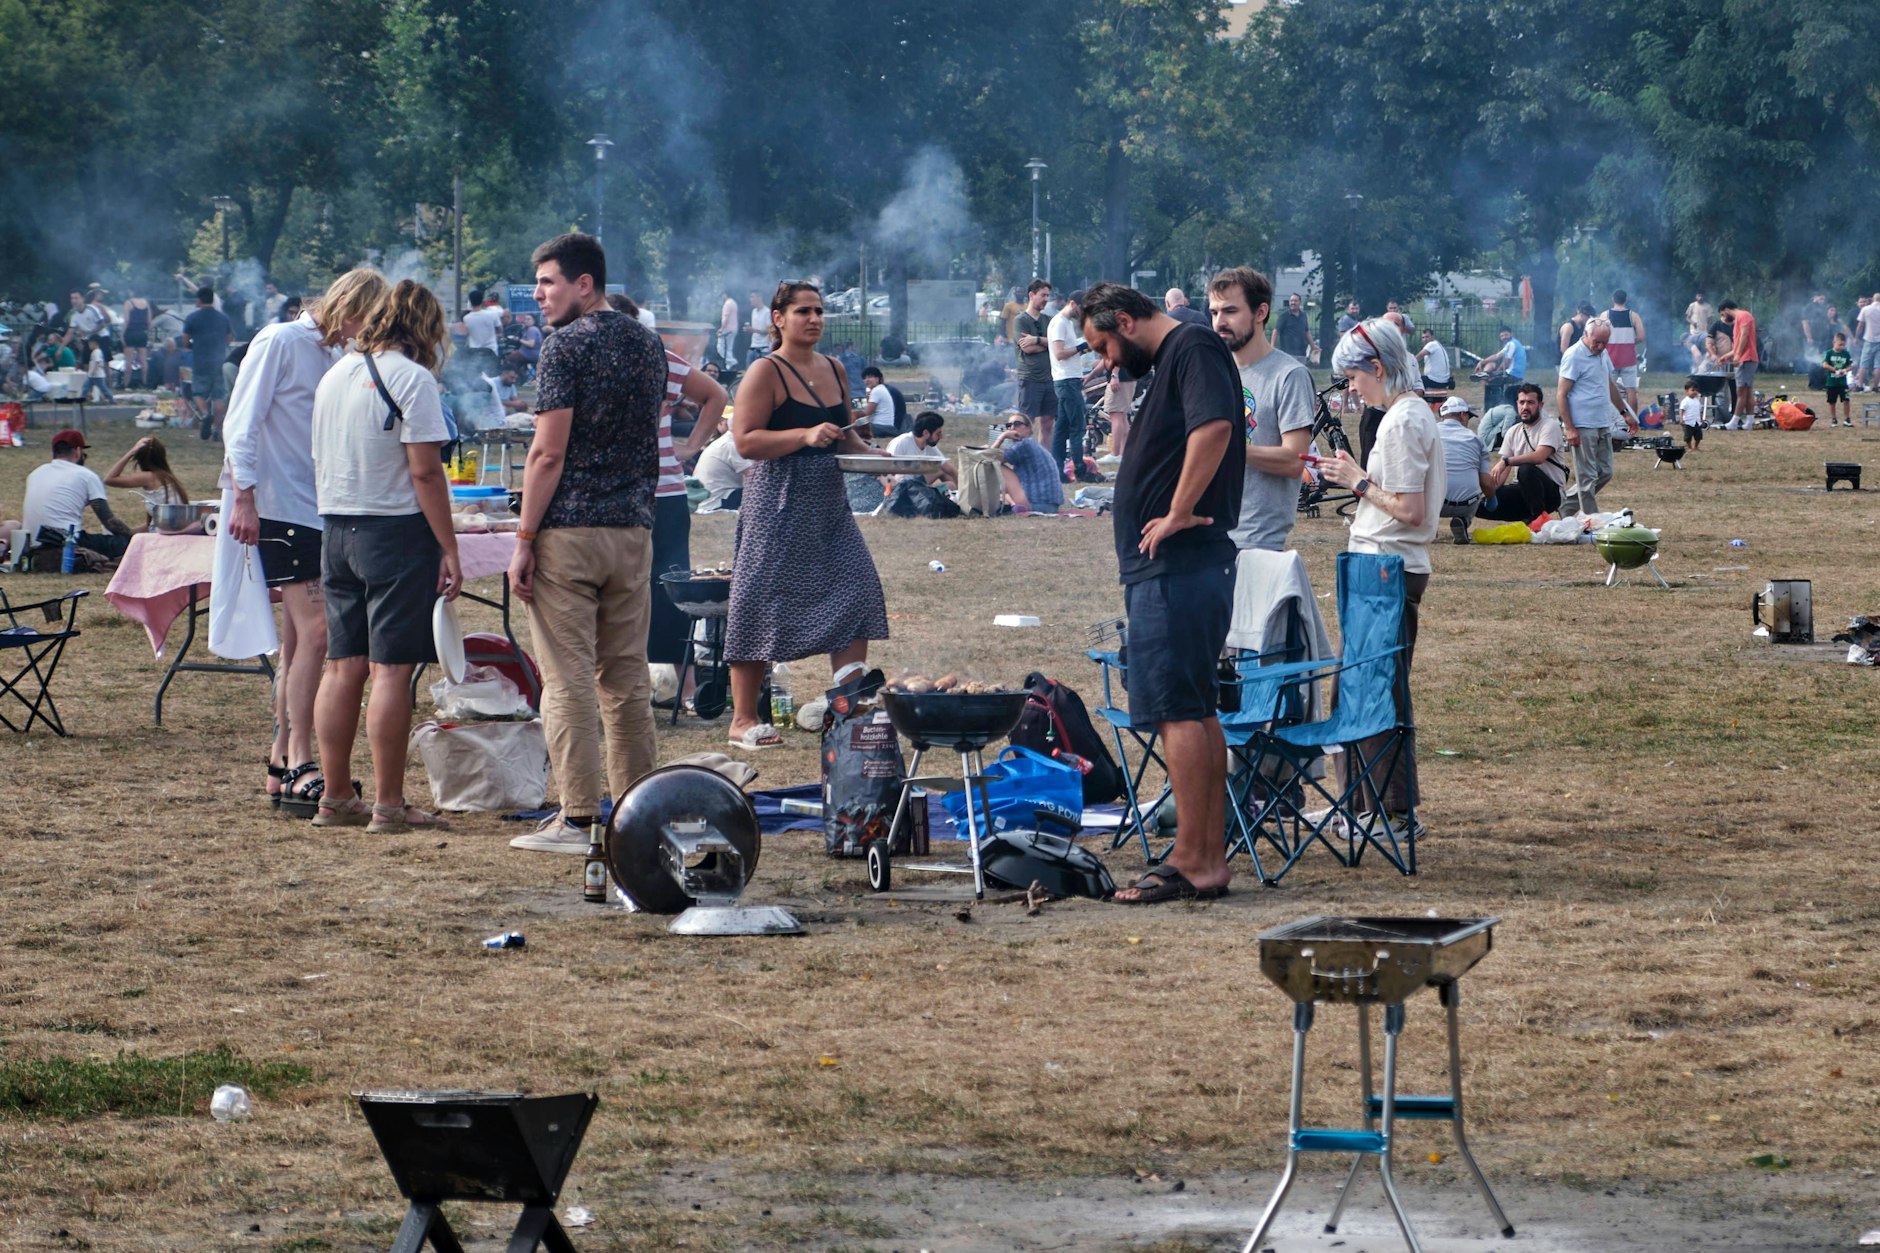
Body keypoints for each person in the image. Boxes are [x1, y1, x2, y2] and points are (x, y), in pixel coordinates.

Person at [1078, 282, 1243, 905]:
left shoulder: (1192, 346)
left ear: (1125, 320)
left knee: (1179, 709)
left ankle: (1195, 861)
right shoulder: (1174, 357)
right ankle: (1205, 856)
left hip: (1179, 566)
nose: (1106, 362)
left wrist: (1177, 510)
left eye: (1104, 346)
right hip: (1176, 570)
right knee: (1195, 709)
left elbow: (1215, 428)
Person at [505, 234, 668, 849]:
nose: (538, 295)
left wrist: (524, 538)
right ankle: (638, 815)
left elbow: (547, 453)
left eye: (548, 282)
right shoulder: (647, 343)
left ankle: (577, 818)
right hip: (633, 531)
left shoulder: (565, 346)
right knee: (626, 680)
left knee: (567, 678)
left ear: (584, 283)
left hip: (569, 533)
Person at [221, 266, 388, 815]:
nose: (367, 332)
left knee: (300, 641)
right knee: (320, 633)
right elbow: (240, 423)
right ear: (348, 306)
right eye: (367, 319)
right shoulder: (280, 340)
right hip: (280, 506)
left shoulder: (337, 355)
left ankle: (280, 763)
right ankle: (300, 760)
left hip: (318, 505)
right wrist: (244, 497)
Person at [304, 280, 459, 834]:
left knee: (342, 665)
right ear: (426, 328)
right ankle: (389, 805)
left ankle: (335, 797)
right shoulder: (413, 379)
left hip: (336, 529)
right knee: (391, 670)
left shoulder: (335, 374)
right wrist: (449, 546)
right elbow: (426, 472)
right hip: (394, 532)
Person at [723, 280, 889, 750]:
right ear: (778, 319)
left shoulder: (834, 368)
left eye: (818, 311)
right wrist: (803, 435)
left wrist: (888, 460)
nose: (814, 319)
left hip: (829, 503)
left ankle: (849, 704)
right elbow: (745, 440)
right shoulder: (765, 371)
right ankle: (743, 720)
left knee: (857, 588)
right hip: (777, 501)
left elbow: (847, 436)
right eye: (803, 311)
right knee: (759, 600)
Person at [1314, 318, 1440, 827]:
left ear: (1378, 367)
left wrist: (1358, 481)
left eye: (1353, 378)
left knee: (1377, 693)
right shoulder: (1402, 416)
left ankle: (1390, 812)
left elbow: (1409, 509)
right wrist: (1356, 475)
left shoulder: (1404, 420)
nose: (1351, 389)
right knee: (1356, 690)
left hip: (1389, 568)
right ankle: (1360, 806)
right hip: (1378, 567)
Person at [608, 291, 728, 715]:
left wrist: (691, 446)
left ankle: (688, 687)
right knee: (618, 589)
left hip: (662, 493)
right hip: (611, 497)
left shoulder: (661, 359)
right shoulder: (586, 361)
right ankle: (625, 685)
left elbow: (715, 395)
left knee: (669, 588)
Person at [1207, 266, 1313, 553]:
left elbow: (1294, 461)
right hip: (1203, 535)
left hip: (1254, 541)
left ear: (1260, 312)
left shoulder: (1289, 375)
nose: (1219, 322)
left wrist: (1225, 447)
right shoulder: (1210, 372)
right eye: (1214, 312)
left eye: (1230, 311)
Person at [1556, 318, 1638, 515]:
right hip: (1582, 424)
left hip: (1602, 421)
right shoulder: (1573, 356)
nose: (1600, 346)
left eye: (1604, 342)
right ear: (1586, 334)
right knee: (1587, 478)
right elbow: (1561, 394)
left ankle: (1565, 506)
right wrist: (1570, 428)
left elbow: (1609, 384)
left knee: (1605, 472)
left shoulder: (1603, 354)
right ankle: (1591, 521)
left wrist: (1624, 413)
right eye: (1597, 342)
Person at [20, 429, 133, 564]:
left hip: (33, 543)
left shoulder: (35, 473)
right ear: (78, 451)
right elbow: (109, 521)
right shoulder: (86, 475)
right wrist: (132, 537)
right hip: (67, 542)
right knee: (122, 542)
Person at [1478, 384, 1566, 524]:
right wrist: (1487, 493)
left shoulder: (1550, 426)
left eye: (1530, 402)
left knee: (1526, 469)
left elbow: (1539, 457)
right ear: (1517, 404)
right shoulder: (1513, 431)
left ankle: (1539, 520)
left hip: (1550, 493)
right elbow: (1502, 474)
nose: (1525, 407)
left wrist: (1506, 461)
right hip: (1523, 491)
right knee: (1479, 505)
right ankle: (1463, 517)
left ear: (1540, 405)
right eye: (1522, 402)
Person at [1048, 289, 1093, 480]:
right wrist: (1081, 346)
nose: (1083, 314)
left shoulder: (1066, 323)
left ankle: (1057, 471)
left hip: (1067, 379)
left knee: (1061, 429)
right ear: (1073, 304)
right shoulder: (1059, 323)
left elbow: (1067, 352)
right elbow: (1059, 353)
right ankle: (1080, 470)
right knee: (1078, 427)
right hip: (1066, 381)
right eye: (1082, 309)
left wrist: (1081, 350)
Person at [1435, 397, 1493, 543]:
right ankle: (1463, 521)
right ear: (1462, 415)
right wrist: (1492, 499)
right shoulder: (1476, 439)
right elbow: (1485, 482)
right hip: (1466, 503)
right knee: (1473, 495)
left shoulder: (1430, 433)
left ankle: (1430, 525)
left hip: (1435, 502)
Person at [102, 435, 189, 529]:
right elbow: (149, 526)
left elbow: (109, 479)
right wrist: (128, 533)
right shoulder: (168, 477)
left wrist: (131, 452)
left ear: (140, 459)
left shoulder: (149, 477)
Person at [182, 285, 233, 440]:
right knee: (219, 396)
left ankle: (205, 415)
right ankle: (217, 429)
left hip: (200, 361)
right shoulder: (223, 317)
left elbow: (185, 340)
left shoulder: (192, 317)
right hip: (219, 361)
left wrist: (192, 345)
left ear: (199, 300)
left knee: (197, 393)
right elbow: (229, 338)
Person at [1012, 279, 1056, 452]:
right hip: (1030, 378)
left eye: (1048, 296)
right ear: (1031, 295)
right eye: (1043, 295)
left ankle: (1044, 457)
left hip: (1050, 378)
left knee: (1048, 422)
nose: (1046, 299)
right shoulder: (1020, 320)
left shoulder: (1049, 321)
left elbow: (1058, 344)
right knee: (1026, 422)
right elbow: (1027, 348)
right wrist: (1047, 344)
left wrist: (1037, 340)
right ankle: (1023, 455)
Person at [990, 412, 1061, 514]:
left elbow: (988, 457)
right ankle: (1013, 503)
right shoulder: (1032, 445)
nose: (1012, 428)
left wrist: (1003, 436)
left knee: (998, 465)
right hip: (1051, 505)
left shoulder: (1024, 445)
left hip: (1037, 504)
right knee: (1001, 492)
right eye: (1009, 425)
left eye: (1017, 424)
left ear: (1028, 429)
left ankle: (1016, 504)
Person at [694, 421, 755, 511]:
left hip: (708, 498)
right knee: (763, 491)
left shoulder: (725, 441)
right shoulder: (730, 445)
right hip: (718, 501)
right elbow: (754, 476)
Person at [1603, 290, 1647, 415]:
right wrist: (1630, 342)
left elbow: (1599, 333)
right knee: (1631, 390)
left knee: (1609, 389)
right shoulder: (1634, 316)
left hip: (1610, 358)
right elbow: (1641, 336)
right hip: (1628, 358)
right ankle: (1633, 418)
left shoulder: (1605, 315)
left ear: (1613, 299)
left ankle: (1609, 417)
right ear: (1626, 299)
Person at [1717, 300, 1759, 427]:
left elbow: (1745, 336)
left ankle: (1734, 422)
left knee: (1740, 391)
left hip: (1746, 359)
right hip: (1746, 358)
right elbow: (1738, 344)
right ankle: (1750, 421)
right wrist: (1726, 356)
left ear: (1726, 310)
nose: (1724, 318)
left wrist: (1738, 355)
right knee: (1747, 391)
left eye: (1723, 315)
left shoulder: (1743, 315)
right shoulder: (1738, 321)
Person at [887, 410, 956, 487]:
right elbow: (888, 471)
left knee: (950, 484)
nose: (941, 436)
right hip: (903, 487)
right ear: (926, 433)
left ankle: (940, 492)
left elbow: (950, 470)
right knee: (940, 470)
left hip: (919, 486)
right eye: (938, 433)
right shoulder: (901, 442)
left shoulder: (928, 446)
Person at [858, 365, 907, 436]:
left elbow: (866, 414)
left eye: (870, 377)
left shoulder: (876, 390)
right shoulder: (881, 388)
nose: (867, 380)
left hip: (882, 427)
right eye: (865, 378)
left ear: (877, 379)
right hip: (888, 427)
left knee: (855, 428)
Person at [1273, 293, 1317, 362]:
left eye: (1295, 301)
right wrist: (1272, 347)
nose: (1293, 303)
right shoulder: (1284, 316)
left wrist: (1313, 347)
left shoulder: (1303, 316)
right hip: (1287, 354)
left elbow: (1307, 332)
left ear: (1299, 302)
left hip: (1302, 354)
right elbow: (1276, 331)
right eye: (1291, 301)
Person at [122, 287, 151, 387]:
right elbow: (149, 321)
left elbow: (126, 320)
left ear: (132, 292)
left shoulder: (128, 302)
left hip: (130, 332)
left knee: (128, 360)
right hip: (142, 333)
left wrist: (122, 334)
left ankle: (126, 384)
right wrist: (147, 332)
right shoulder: (146, 303)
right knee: (143, 360)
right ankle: (145, 383)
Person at [1823, 333, 1853, 427]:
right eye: (1840, 345)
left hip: (1843, 383)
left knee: (1846, 400)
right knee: (1832, 402)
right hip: (1831, 383)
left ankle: (1847, 419)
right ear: (1834, 343)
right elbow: (1825, 365)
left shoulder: (1846, 353)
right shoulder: (1829, 353)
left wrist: (1845, 370)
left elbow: (1850, 366)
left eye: (1843, 345)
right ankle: (1834, 419)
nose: (1841, 347)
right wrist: (1835, 370)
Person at [1853, 294, 1880, 392]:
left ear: (1873, 299)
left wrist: (1856, 337)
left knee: (1863, 364)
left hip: (1868, 339)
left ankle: (1860, 385)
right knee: (1878, 365)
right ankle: (1876, 387)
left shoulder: (1866, 309)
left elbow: (1860, 325)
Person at [1416, 326, 1453, 391]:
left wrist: (1406, 364)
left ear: (1432, 337)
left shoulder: (1432, 344)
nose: (1425, 339)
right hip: (1444, 380)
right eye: (1423, 337)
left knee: (1413, 380)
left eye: (1427, 337)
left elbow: (1417, 358)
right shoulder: (1438, 345)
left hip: (1436, 381)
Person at [1676, 377, 1707, 449]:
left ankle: (1696, 447)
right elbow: (1681, 410)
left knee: (1698, 436)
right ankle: (1690, 447)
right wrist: (1681, 419)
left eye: (1696, 390)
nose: (1695, 392)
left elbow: (1699, 411)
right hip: (1688, 422)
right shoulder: (1685, 401)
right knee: (1688, 436)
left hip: (1696, 422)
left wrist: (1701, 419)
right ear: (1687, 391)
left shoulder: (1697, 401)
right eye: (1693, 390)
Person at [80, 336, 113, 403]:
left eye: (90, 344)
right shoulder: (96, 351)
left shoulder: (97, 352)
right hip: (93, 375)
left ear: (95, 343)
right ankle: (82, 398)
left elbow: (97, 362)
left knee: (103, 388)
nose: (89, 346)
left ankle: (111, 398)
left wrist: (94, 370)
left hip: (97, 375)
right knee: (86, 387)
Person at [718, 289, 739, 366]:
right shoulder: (734, 303)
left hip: (727, 330)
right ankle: (728, 365)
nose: (721, 297)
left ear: (725, 294)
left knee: (720, 348)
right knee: (729, 349)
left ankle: (732, 362)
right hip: (734, 329)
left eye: (722, 295)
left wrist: (721, 329)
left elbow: (726, 317)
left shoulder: (727, 304)